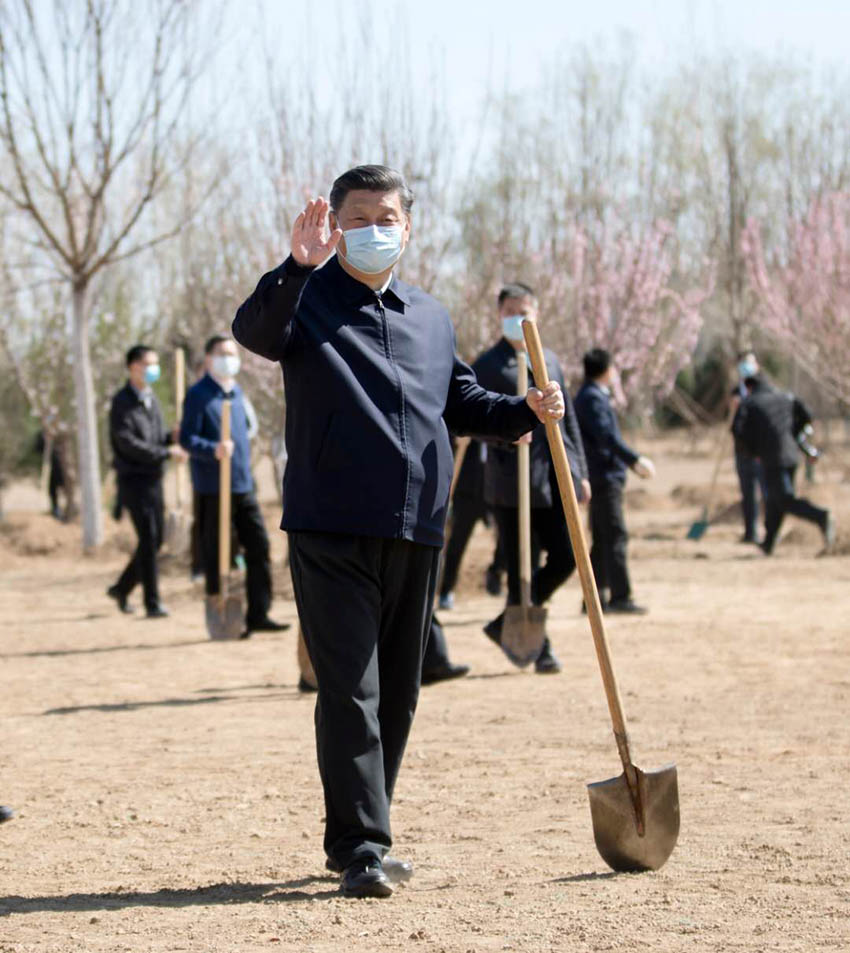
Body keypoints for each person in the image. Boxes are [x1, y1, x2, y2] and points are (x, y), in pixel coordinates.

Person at [232, 165, 564, 899]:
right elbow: (252, 331)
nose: (372, 229)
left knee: (400, 692)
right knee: (350, 687)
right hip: (330, 526)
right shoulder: (306, 300)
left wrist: (527, 411)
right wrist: (296, 264)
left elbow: (461, 398)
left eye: (386, 217)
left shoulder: (431, 316)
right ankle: (361, 845)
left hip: (418, 526)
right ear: (335, 225)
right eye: (357, 217)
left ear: (407, 228)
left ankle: (363, 829)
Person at [474, 283, 589, 675]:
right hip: (510, 481)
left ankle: (506, 621)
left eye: (524, 311)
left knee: (566, 555)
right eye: (509, 310)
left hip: (551, 476)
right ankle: (538, 647)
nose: (517, 318)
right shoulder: (488, 365)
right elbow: (471, 419)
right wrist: (505, 431)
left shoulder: (549, 361)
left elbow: (567, 418)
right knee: (520, 564)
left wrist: (579, 472)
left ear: (537, 314)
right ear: (498, 314)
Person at [180, 335, 288, 638]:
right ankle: (220, 605)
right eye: (223, 353)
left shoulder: (237, 392)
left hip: (243, 485)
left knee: (259, 546)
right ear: (209, 359)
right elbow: (187, 438)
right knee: (216, 552)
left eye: (232, 353)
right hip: (213, 487)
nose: (230, 358)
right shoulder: (199, 394)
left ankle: (258, 613)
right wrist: (212, 448)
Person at [107, 345, 186, 618]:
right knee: (149, 537)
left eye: (155, 363)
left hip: (154, 479)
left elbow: (153, 437)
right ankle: (152, 602)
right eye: (147, 364)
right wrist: (165, 452)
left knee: (155, 539)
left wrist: (169, 437)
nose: (153, 369)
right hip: (133, 481)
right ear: (133, 367)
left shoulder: (151, 399)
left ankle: (121, 587)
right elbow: (127, 443)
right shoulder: (121, 403)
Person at [574, 348, 654, 614]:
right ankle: (620, 596)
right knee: (615, 535)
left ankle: (593, 598)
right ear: (605, 370)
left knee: (603, 537)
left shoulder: (590, 396)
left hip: (600, 474)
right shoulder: (592, 398)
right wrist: (633, 460)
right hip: (604, 475)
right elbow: (607, 436)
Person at [733, 374, 834, 555]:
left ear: (749, 387)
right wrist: (796, 437)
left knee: (783, 499)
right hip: (791, 455)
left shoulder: (750, 403)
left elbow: (737, 430)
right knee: (775, 499)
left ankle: (820, 516)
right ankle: (769, 542)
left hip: (771, 457)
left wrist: (752, 452)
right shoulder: (785, 397)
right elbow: (807, 416)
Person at [438, 438, 505, 608]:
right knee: (457, 543)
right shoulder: (469, 418)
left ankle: (495, 575)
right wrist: (456, 441)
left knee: (507, 538)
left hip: (495, 489)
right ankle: (446, 590)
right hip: (467, 491)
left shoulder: (498, 419)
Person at [731, 351, 767, 543]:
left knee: (765, 490)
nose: (746, 367)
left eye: (750, 363)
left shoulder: (764, 389)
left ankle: (768, 531)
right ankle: (750, 532)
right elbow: (732, 422)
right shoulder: (736, 392)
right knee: (747, 492)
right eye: (743, 363)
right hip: (742, 449)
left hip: (761, 448)